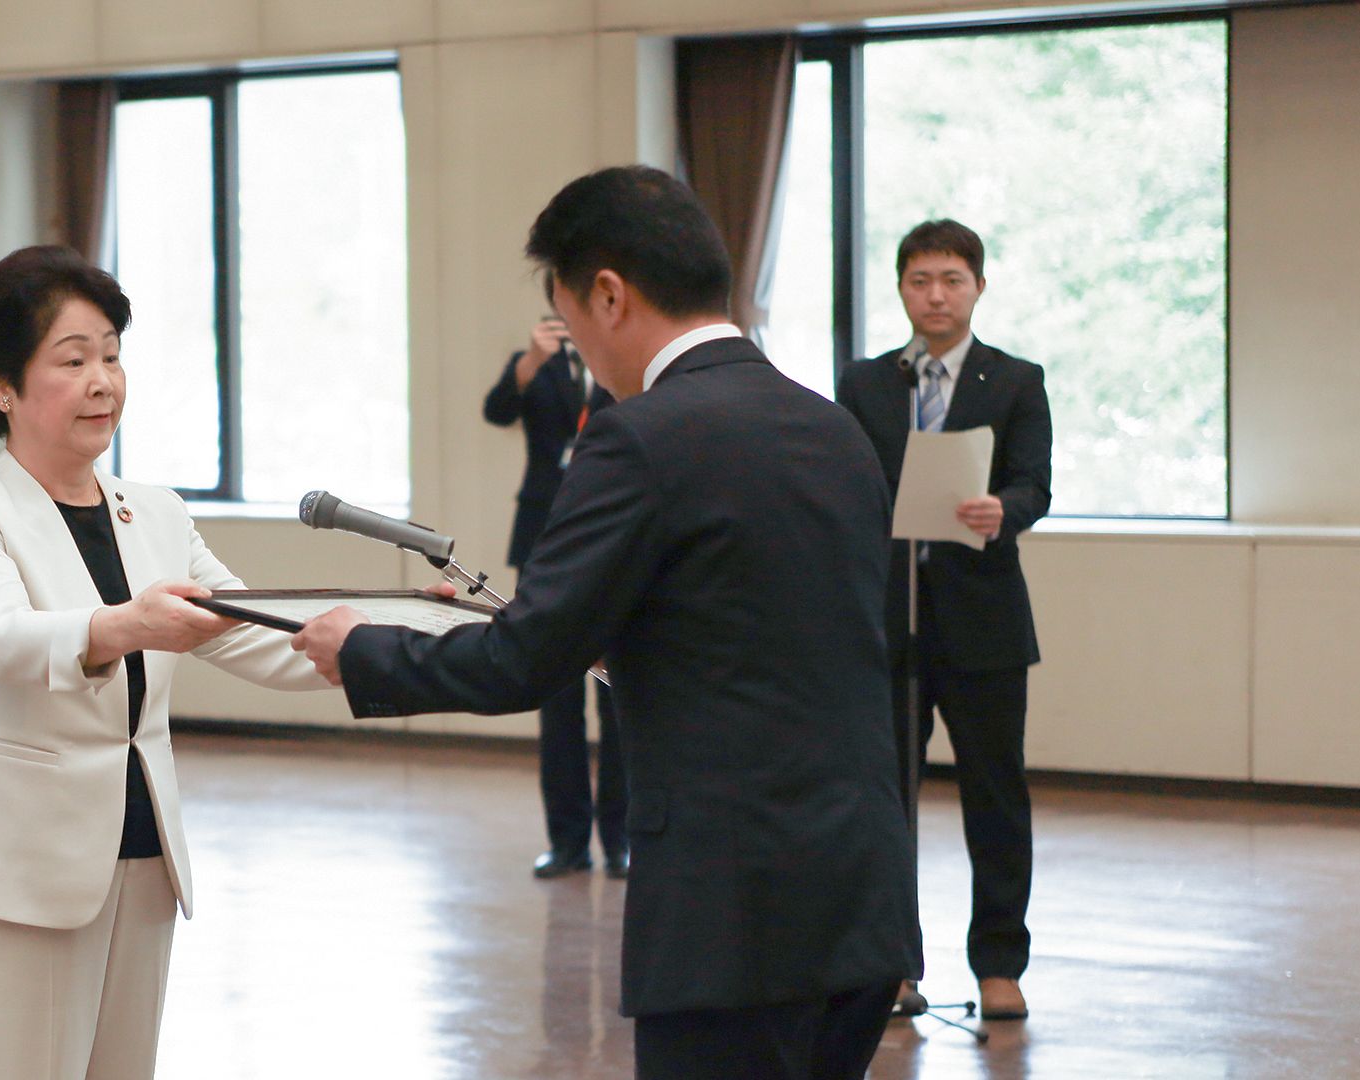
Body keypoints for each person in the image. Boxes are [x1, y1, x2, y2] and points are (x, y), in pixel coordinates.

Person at [293, 166, 918, 1080]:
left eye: (577, 323)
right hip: (862, 898)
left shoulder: (639, 437)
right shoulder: (834, 428)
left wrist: (364, 650)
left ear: (610, 295)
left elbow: (523, 663)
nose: (584, 350)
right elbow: (775, 635)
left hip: (734, 921)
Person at [0, 245, 332, 1080]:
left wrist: (411, 639)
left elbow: (252, 630)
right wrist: (122, 626)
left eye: (112, 354)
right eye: (73, 360)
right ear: (2, 386)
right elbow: (1, 635)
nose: (104, 380)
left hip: (142, 853)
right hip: (21, 868)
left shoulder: (158, 512)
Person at [835, 219, 1052, 1022]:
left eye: (952, 280)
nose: (936, 294)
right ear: (900, 288)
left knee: (996, 797)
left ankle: (1000, 964)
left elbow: (1036, 483)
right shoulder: (864, 384)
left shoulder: (1016, 380)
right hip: (885, 623)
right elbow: (840, 483)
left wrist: (1006, 508)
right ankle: (894, 962)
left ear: (978, 287)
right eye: (921, 279)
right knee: (884, 797)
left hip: (985, 620)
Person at [483, 316, 628, 879]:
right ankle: (567, 842)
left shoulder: (622, 360)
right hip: (543, 533)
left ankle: (621, 839)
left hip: (613, 535)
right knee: (556, 694)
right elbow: (496, 411)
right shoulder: (535, 362)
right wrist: (527, 362)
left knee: (619, 698)